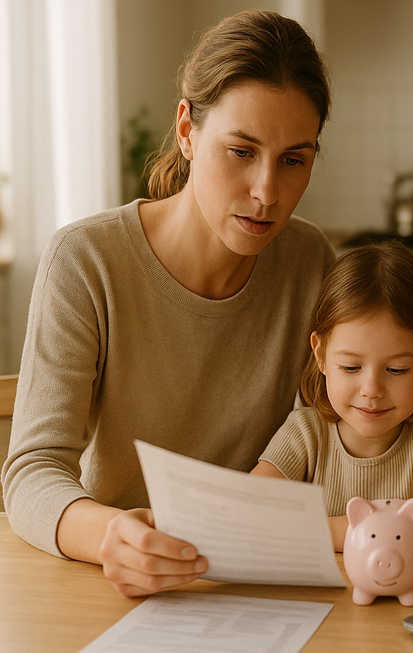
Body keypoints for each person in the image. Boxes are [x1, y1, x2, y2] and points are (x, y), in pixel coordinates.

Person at [1, 10, 335, 598]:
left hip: (256, 586)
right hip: (108, 584)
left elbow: (338, 432)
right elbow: (31, 474)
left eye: (293, 160)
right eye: (240, 151)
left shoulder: (310, 262)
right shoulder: (85, 260)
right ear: (186, 130)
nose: (266, 193)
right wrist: (110, 534)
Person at [251, 242, 413, 553]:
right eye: (351, 367)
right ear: (320, 354)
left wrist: (349, 533)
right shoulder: (305, 432)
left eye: (396, 369)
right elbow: (248, 508)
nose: (372, 390)